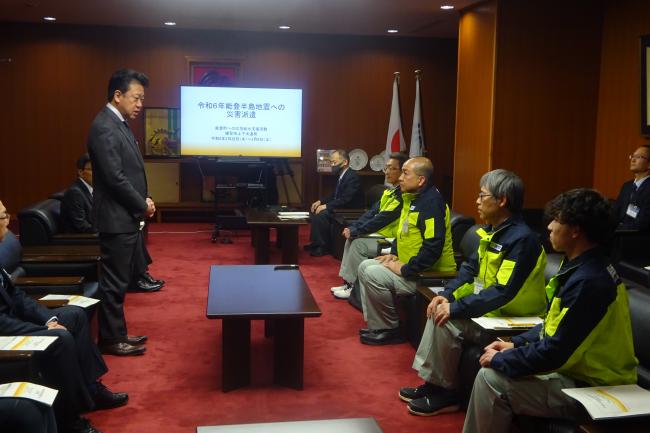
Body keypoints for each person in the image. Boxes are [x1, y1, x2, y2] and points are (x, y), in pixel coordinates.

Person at [462, 188, 638, 433]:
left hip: (593, 383)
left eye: (557, 220)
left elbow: (556, 352)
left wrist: (503, 358)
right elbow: (552, 324)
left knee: (491, 380)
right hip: (577, 370)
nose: (550, 227)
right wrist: (515, 344)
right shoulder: (581, 266)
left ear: (575, 230)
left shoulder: (590, 282)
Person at [398, 169, 547, 416]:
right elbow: (470, 269)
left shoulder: (522, 240)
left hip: (513, 320)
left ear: (502, 200)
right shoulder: (491, 230)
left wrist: (455, 307)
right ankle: (433, 384)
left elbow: (502, 291)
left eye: (482, 195)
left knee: (447, 320)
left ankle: (446, 393)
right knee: (440, 308)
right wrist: (448, 294)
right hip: (490, 311)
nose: (476, 201)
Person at [0, 200, 127, 433]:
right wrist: (43, 331)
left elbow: (17, 296)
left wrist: (48, 320)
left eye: (7, 214)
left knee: (75, 315)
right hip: (6, 334)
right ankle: (70, 419)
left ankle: (90, 388)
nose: (8, 223)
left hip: (14, 321)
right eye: (2, 218)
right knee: (61, 339)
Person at [87, 69, 153, 356]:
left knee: (120, 280)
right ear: (118, 95)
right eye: (136, 98)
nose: (140, 104)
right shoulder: (104, 126)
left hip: (124, 216)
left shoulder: (119, 123)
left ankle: (119, 333)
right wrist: (141, 203)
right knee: (114, 282)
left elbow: (128, 171)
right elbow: (114, 178)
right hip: (115, 218)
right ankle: (112, 339)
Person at [358, 156, 456, 345]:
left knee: (372, 273)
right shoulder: (411, 198)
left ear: (421, 180)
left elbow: (432, 248)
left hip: (427, 274)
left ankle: (389, 329)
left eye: (405, 173)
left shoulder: (431, 205)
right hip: (412, 268)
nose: (400, 178)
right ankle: (379, 325)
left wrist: (404, 269)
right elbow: (402, 231)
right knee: (366, 265)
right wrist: (394, 252)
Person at [60, 154, 164, 293]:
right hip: (81, 240)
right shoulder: (75, 193)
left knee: (131, 229)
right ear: (80, 172)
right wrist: (107, 229)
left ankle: (142, 276)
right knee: (126, 234)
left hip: (96, 232)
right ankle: (137, 280)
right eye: (92, 169)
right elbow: (81, 226)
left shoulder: (92, 189)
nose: (97, 174)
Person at [331, 152, 407, 299]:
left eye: (392, 168)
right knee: (352, 238)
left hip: (389, 238)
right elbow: (372, 213)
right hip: (379, 233)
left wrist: (356, 230)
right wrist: (354, 226)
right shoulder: (390, 192)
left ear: (403, 171)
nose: (387, 172)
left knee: (357, 243)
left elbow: (381, 219)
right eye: (386, 168)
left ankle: (353, 287)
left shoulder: (403, 197)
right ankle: (348, 283)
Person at [305, 149, 364, 257]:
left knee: (321, 214)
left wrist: (326, 206)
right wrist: (320, 201)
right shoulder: (343, 175)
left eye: (334, 162)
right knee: (315, 210)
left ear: (345, 162)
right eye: (331, 162)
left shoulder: (352, 177)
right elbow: (335, 194)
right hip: (341, 205)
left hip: (349, 209)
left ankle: (322, 247)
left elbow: (346, 199)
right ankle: (315, 243)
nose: (332, 165)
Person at [614, 145, 650, 231]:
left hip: (638, 238)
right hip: (620, 235)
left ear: (649, 164)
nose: (633, 160)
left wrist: (618, 229)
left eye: (639, 157)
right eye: (633, 156)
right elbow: (615, 212)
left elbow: (644, 222)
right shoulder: (627, 186)